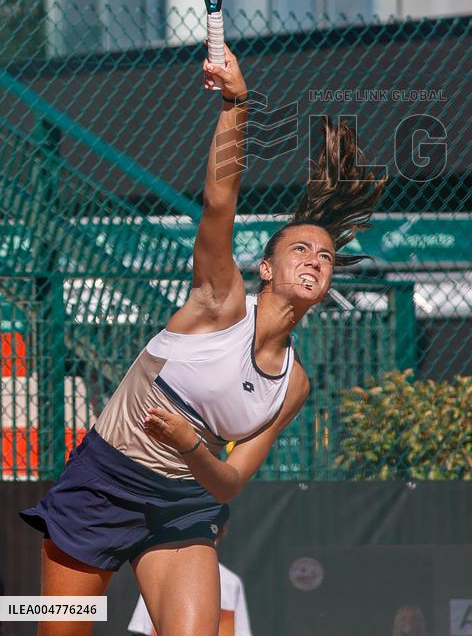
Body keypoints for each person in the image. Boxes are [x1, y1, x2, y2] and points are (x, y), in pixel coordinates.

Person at [19, 45, 385, 636]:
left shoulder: (293, 385)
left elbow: (230, 481)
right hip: (104, 483)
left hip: (182, 506)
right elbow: (220, 200)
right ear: (266, 269)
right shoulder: (218, 303)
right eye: (299, 248)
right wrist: (236, 102)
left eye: (326, 255)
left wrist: (192, 444)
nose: (316, 260)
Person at [127, 526, 251, 636]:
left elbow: (242, 632)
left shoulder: (232, 582)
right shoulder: (162, 572)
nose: (209, 536)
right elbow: (140, 628)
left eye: (214, 530)